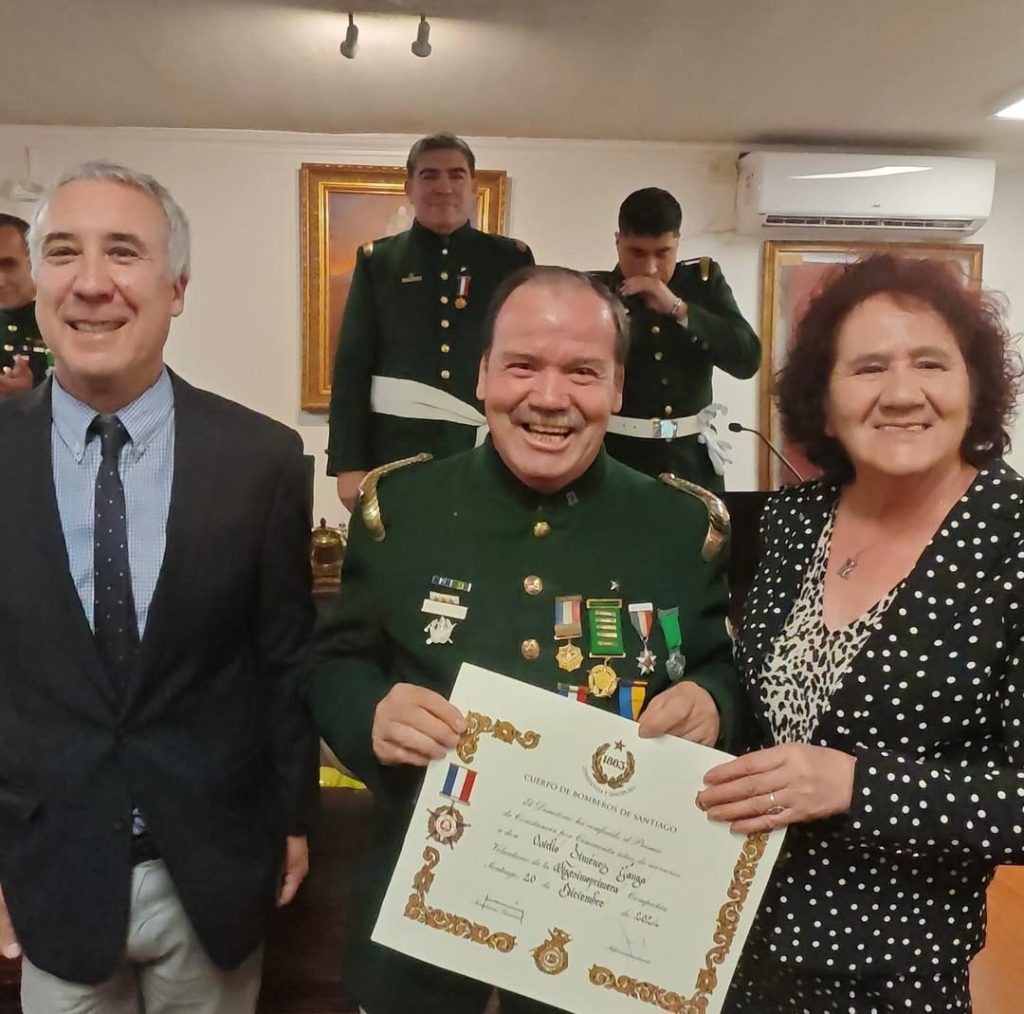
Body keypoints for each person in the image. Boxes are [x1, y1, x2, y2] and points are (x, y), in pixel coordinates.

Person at [308, 265, 742, 1014]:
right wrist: (370, 713)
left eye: (582, 372)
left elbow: (721, 668)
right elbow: (335, 661)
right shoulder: (401, 509)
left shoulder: (679, 529)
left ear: (617, 388)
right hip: (420, 939)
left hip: (605, 943)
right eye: (522, 366)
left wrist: (715, 702)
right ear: (482, 377)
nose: (549, 398)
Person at [0, 161, 317, 1014]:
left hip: (212, 871)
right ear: (37, 285)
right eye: (64, 252)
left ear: (176, 287)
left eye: (125, 253)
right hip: (49, 871)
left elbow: (283, 660)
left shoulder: (262, 461)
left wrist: (293, 819)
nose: (93, 283)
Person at [694, 254, 1024, 1013]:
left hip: (894, 978)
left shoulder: (1011, 541)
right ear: (825, 399)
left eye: (931, 363)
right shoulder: (790, 522)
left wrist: (857, 786)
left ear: (974, 386)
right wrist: (707, 705)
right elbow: (765, 714)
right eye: (868, 367)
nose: (901, 393)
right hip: (726, 940)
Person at [327, 132, 535, 509]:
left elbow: (530, 358)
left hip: (488, 449)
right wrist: (348, 464)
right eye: (429, 175)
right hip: (396, 449)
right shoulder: (379, 261)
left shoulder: (510, 259)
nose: (444, 187)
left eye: (456, 175)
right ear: (408, 187)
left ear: (473, 185)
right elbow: (352, 366)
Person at [590, 187, 760, 490]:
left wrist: (678, 308)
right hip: (617, 460)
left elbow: (747, 360)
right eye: (637, 253)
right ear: (618, 243)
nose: (651, 268)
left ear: (678, 243)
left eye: (663, 253)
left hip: (690, 462)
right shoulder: (596, 291)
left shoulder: (702, 283)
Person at [0, 212, 49, 396]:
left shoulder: (64, 320)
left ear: (34, 260)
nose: (0, 280)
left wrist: (31, 396)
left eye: (8, 264)